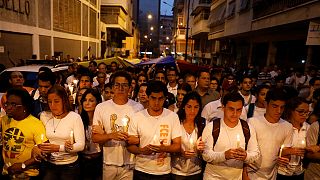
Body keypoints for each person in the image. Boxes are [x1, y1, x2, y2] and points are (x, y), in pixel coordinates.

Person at [92, 71, 144, 180]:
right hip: (109, 163)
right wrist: (111, 136)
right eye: (117, 85)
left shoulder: (138, 108)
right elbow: (95, 137)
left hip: (130, 163)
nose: (120, 88)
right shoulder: (101, 108)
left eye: (124, 85)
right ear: (112, 87)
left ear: (130, 88)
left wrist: (132, 139)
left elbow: (142, 137)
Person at [127, 80, 182, 179]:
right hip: (141, 170)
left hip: (163, 172)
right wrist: (141, 150)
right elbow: (130, 146)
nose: (156, 102)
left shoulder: (172, 116)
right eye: (153, 98)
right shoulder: (137, 117)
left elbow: (177, 145)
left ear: (165, 98)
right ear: (148, 97)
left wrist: (163, 148)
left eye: (160, 99)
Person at [202, 92, 260, 180]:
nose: (235, 113)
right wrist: (224, 155)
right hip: (213, 177)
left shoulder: (247, 128)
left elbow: (255, 153)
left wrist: (246, 156)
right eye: (231, 109)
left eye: (239, 110)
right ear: (223, 108)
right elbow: (206, 155)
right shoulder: (212, 127)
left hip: (236, 177)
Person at [38, 85, 85, 180]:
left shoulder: (74, 117)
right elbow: (40, 138)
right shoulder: (44, 116)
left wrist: (59, 148)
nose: (52, 105)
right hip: (50, 164)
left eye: (56, 101)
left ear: (64, 100)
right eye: (50, 102)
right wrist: (38, 148)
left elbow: (81, 145)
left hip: (69, 166)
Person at [1, 88, 47, 179]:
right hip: (7, 172)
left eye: (13, 104)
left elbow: (44, 153)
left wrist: (22, 165)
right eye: (7, 103)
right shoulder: (5, 120)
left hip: (28, 174)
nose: (8, 107)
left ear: (24, 106)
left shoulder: (36, 124)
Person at [247, 88, 293, 180]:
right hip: (250, 173)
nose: (279, 111)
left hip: (271, 174)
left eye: (282, 107)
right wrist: (245, 174)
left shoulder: (287, 126)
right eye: (275, 106)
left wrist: (285, 159)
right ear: (266, 104)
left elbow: (286, 151)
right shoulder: (252, 122)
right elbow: (245, 149)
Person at [171, 92, 206, 179]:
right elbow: (168, 145)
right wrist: (180, 151)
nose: (192, 111)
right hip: (176, 171)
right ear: (183, 106)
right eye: (189, 106)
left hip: (196, 171)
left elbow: (207, 149)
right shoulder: (176, 122)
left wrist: (201, 149)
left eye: (196, 107)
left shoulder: (203, 124)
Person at [277, 97, 310, 179]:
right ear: (291, 110)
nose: (304, 115)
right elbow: (272, 149)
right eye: (301, 112)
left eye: (307, 112)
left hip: (300, 171)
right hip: (281, 171)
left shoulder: (308, 128)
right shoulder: (282, 126)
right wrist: (289, 151)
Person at [79, 89, 103, 180]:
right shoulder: (79, 120)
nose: (87, 103)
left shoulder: (101, 121)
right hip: (82, 160)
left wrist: (102, 134)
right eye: (85, 100)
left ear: (98, 102)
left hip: (98, 160)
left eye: (91, 100)